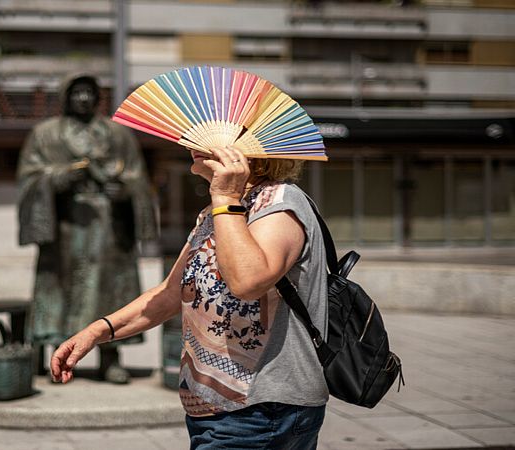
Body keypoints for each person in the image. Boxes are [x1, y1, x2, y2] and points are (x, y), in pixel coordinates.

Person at [51, 146, 329, 449]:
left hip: (262, 410)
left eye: (212, 137)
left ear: (253, 150)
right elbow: (172, 291)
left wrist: (225, 198)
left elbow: (248, 281)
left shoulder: (280, 202)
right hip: (213, 409)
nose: (195, 146)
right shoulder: (213, 213)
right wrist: (97, 331)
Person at [17, 75, 157, 384]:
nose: (83, 98)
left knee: (110, 292)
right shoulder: (45, 134)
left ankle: (111, 358)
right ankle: (61, 355)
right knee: (63, 289)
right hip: (65, 225)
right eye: (77, 92)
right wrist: (59, 178)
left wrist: (121, 191)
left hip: (109, 227)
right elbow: (29, 178)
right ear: (65, 96)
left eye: (89, 92)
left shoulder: (118, 135)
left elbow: (137, 178)